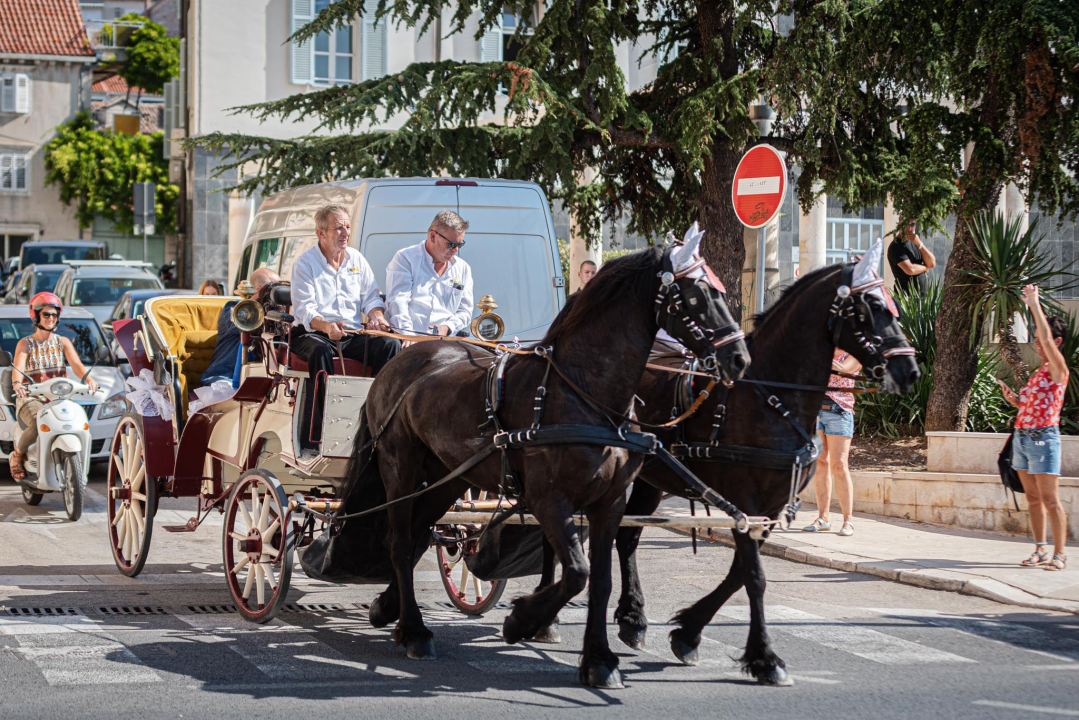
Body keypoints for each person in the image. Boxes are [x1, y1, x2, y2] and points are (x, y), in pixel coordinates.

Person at [290, 203, 400, 452]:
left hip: (350, 333)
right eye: (338, 228)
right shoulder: (305, 264)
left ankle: (376, 423)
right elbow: (306, 311)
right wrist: (327, 326)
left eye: (348, 227)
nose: (345, 233)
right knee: (320, 352)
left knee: (389, 344)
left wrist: (377, 317)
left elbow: (371, 298)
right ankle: (318, 435)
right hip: (313, 333)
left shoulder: (356, 259)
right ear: (321, 233)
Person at [999, 285, 1069, 572]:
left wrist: (1033, 304)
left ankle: (1060, 554)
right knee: (1032, 498)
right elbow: (1035, 405)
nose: (1038, 344)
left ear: (1057, 341)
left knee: (1050, 500)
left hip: (1043, 440)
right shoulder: (1039, 372)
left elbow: (1048, 341)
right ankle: (1040, 548)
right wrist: (1016, 401)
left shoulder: (1057, 368)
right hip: (1023, 438)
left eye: (1042, 340)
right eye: (1036, 340)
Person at [8, 292, 98, 480]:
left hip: (59, 398)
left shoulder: (62, 342)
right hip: (31, 398)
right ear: (36, 316)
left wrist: (89, 380)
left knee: (75, 422)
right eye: (46, 314)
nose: (51, 318)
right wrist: (17, 384)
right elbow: (18, 367)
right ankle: (17, 455)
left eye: (54, 315)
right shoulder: (25, 343)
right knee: (36, 423)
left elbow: (77, 365)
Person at [385, 211, 474, 348]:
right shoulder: (405, 258)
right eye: (451, 244)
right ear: (433, 236)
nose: (456, 249)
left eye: (460, 244)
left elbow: (465, 311)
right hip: (408, 339)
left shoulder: (463, 268)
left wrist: (447, 327)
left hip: (445, 343)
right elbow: (398, 302)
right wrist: (408, 335)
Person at [804, 348, 862, 536]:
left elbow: (843, 369)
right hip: (816, 410)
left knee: (839, 465)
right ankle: (823, 518)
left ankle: (848, 520)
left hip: (839, 411)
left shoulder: (853, 354)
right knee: (820, 463)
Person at [201, 267, 281, 386]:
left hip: (259, 378)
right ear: (259, 291)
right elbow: (242, 324)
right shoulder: (232, 308)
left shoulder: (275, 314)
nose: (279, 297)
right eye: (275, 292)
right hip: (223, 377)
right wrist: (254, 303)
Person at [886, 221, 936, 294]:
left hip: (922, 296)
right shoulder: (895, 246)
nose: (909, 228)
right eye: (906, 224)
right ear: (899, 224)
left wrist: (920, 244)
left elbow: (932, 263)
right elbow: (910, 269)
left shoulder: (915, 242)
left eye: (912, 224)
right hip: (906, 296)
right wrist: (925, 268)